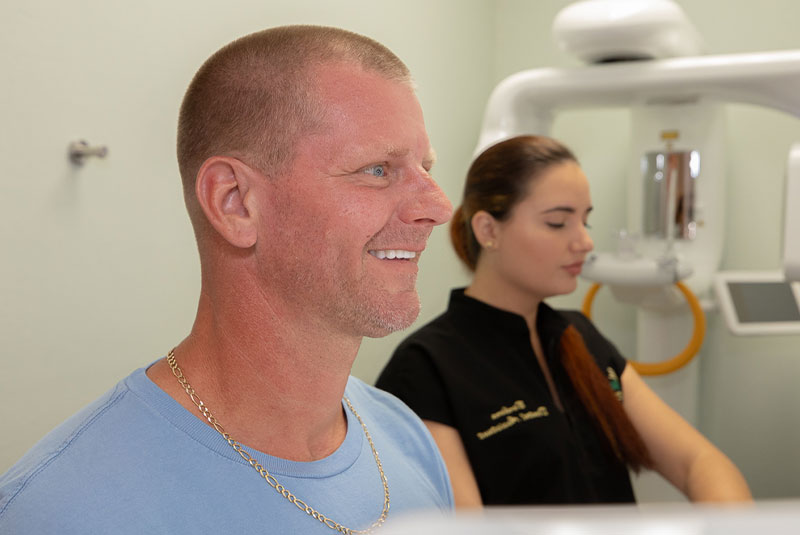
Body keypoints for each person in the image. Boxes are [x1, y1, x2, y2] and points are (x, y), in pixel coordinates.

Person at [0, 25, 454, 533]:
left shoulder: (403, 437)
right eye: (377, 170)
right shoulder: (61, 513)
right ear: (234, 203)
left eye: (426, 167)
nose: (438, 206)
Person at [376, 135, 752, 507]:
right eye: (558, 222)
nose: (585, 242)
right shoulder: (426, 369)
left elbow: (697, 463)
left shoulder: (581, 337)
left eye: (585, 220)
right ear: (488, 230)